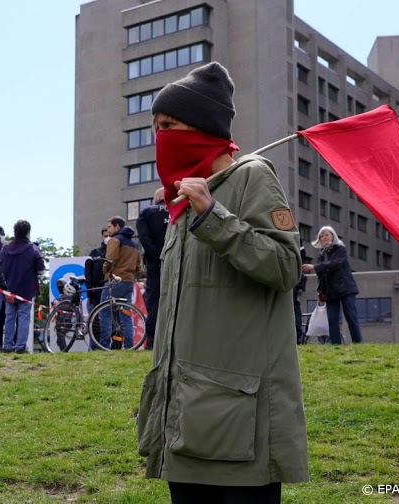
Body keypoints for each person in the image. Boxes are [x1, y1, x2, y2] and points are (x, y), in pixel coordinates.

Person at [137, 62, 308, 502]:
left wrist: (214, 217)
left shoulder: (252, 176)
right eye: (155, 127)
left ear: (201, 125)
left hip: (237, 428)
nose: (160, 138)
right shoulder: (184, 201)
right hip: (185, 421)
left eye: (168, 125)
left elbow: (286, 266)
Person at [303, 226, 363, 345]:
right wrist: (320, 291)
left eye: (326, 235)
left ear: (332, 236)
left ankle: (358, 343)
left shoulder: (340, 250)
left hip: (346, 289)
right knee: (332, 319)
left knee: (351, 316)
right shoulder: (322, 254)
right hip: (330, 292)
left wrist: (314, 267)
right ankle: (336, 345)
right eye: (321, 236)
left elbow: (334, 264)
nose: (324, 237)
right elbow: (322, 275)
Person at [97, 216, 141, 350]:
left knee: (104, 312)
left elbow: (110, 260)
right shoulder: (134, 244)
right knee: (125, 314)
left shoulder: (115, 240)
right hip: (129, 281)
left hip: (115, 279)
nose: (108, 230)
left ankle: (104, 345)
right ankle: (129, 346)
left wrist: (104, 270)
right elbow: (139, 266)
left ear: (117, 227)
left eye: (109, 227)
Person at [1, 220, 46, 353]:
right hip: (27, 289)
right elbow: (41, 270)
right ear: (28, 232)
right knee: (24, 318)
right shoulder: (32, 248)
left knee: (9, 318)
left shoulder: (5, 249)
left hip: (9, 289)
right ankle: (20, 346)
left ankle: (7, 346)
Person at [136, 188, 169, 350]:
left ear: (157, 199)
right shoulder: (180, 211)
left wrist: (156, 255)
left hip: (155, 264)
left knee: (154, 301)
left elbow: (144, 238)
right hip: (176, 262)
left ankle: (152, 341)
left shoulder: (147, 213)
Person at [84, 228, 110, 311]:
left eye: (110, 236)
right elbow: (88, 271)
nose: (108, 238)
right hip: (97, 290)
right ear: (102, 237)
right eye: (106, 236)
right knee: (95, 316)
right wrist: (90, 288)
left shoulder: (115, 251)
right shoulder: (95, 252)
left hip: (111, 288)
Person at [294, 238, 311, 345]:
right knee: (295, 306)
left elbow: (301, 254)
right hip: (292, 276)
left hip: (291, 277)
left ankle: (298, 337)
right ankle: (298, 337)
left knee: (294, 307)